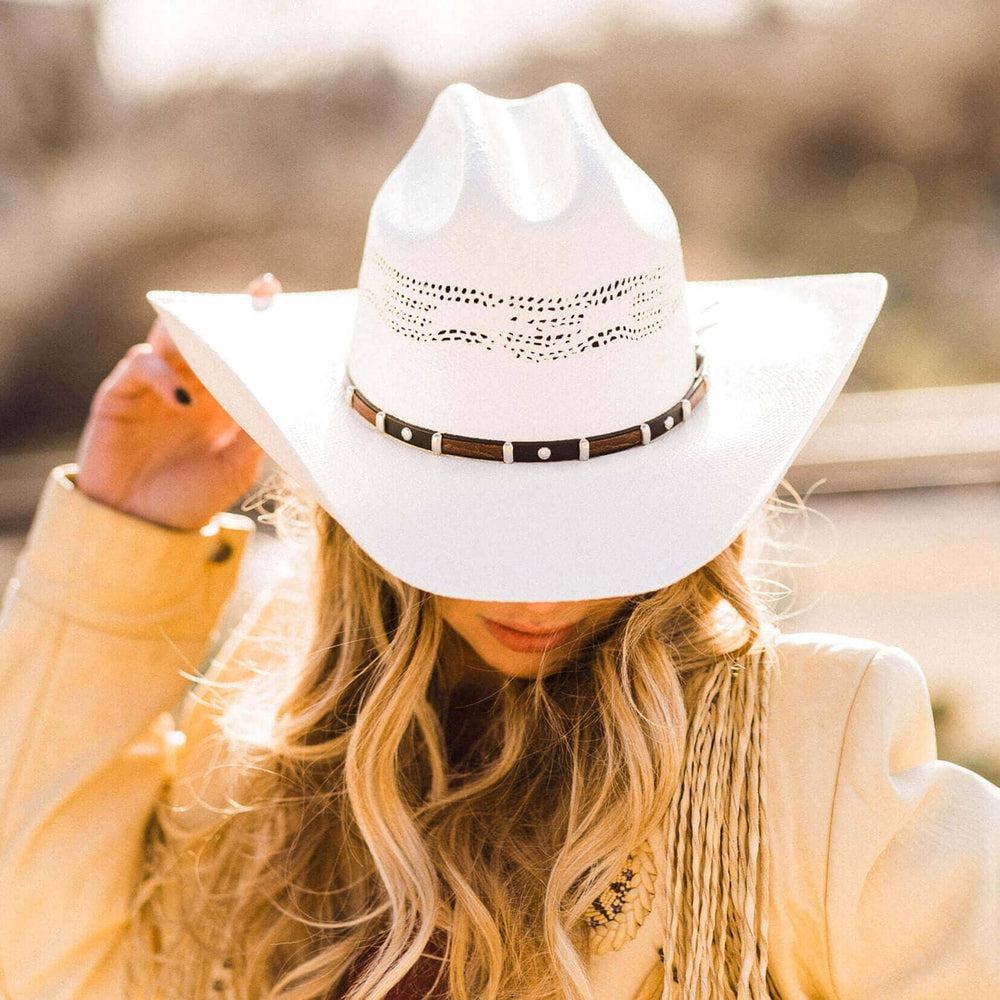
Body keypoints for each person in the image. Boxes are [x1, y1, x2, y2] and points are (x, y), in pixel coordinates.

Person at [1, 82, 997, 1000]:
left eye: (599, 527)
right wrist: (123, 531)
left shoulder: (810, 752)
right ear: (359, 503)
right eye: (471, 530)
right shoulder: (259, 757)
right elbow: (45, 969)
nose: (538, 594)